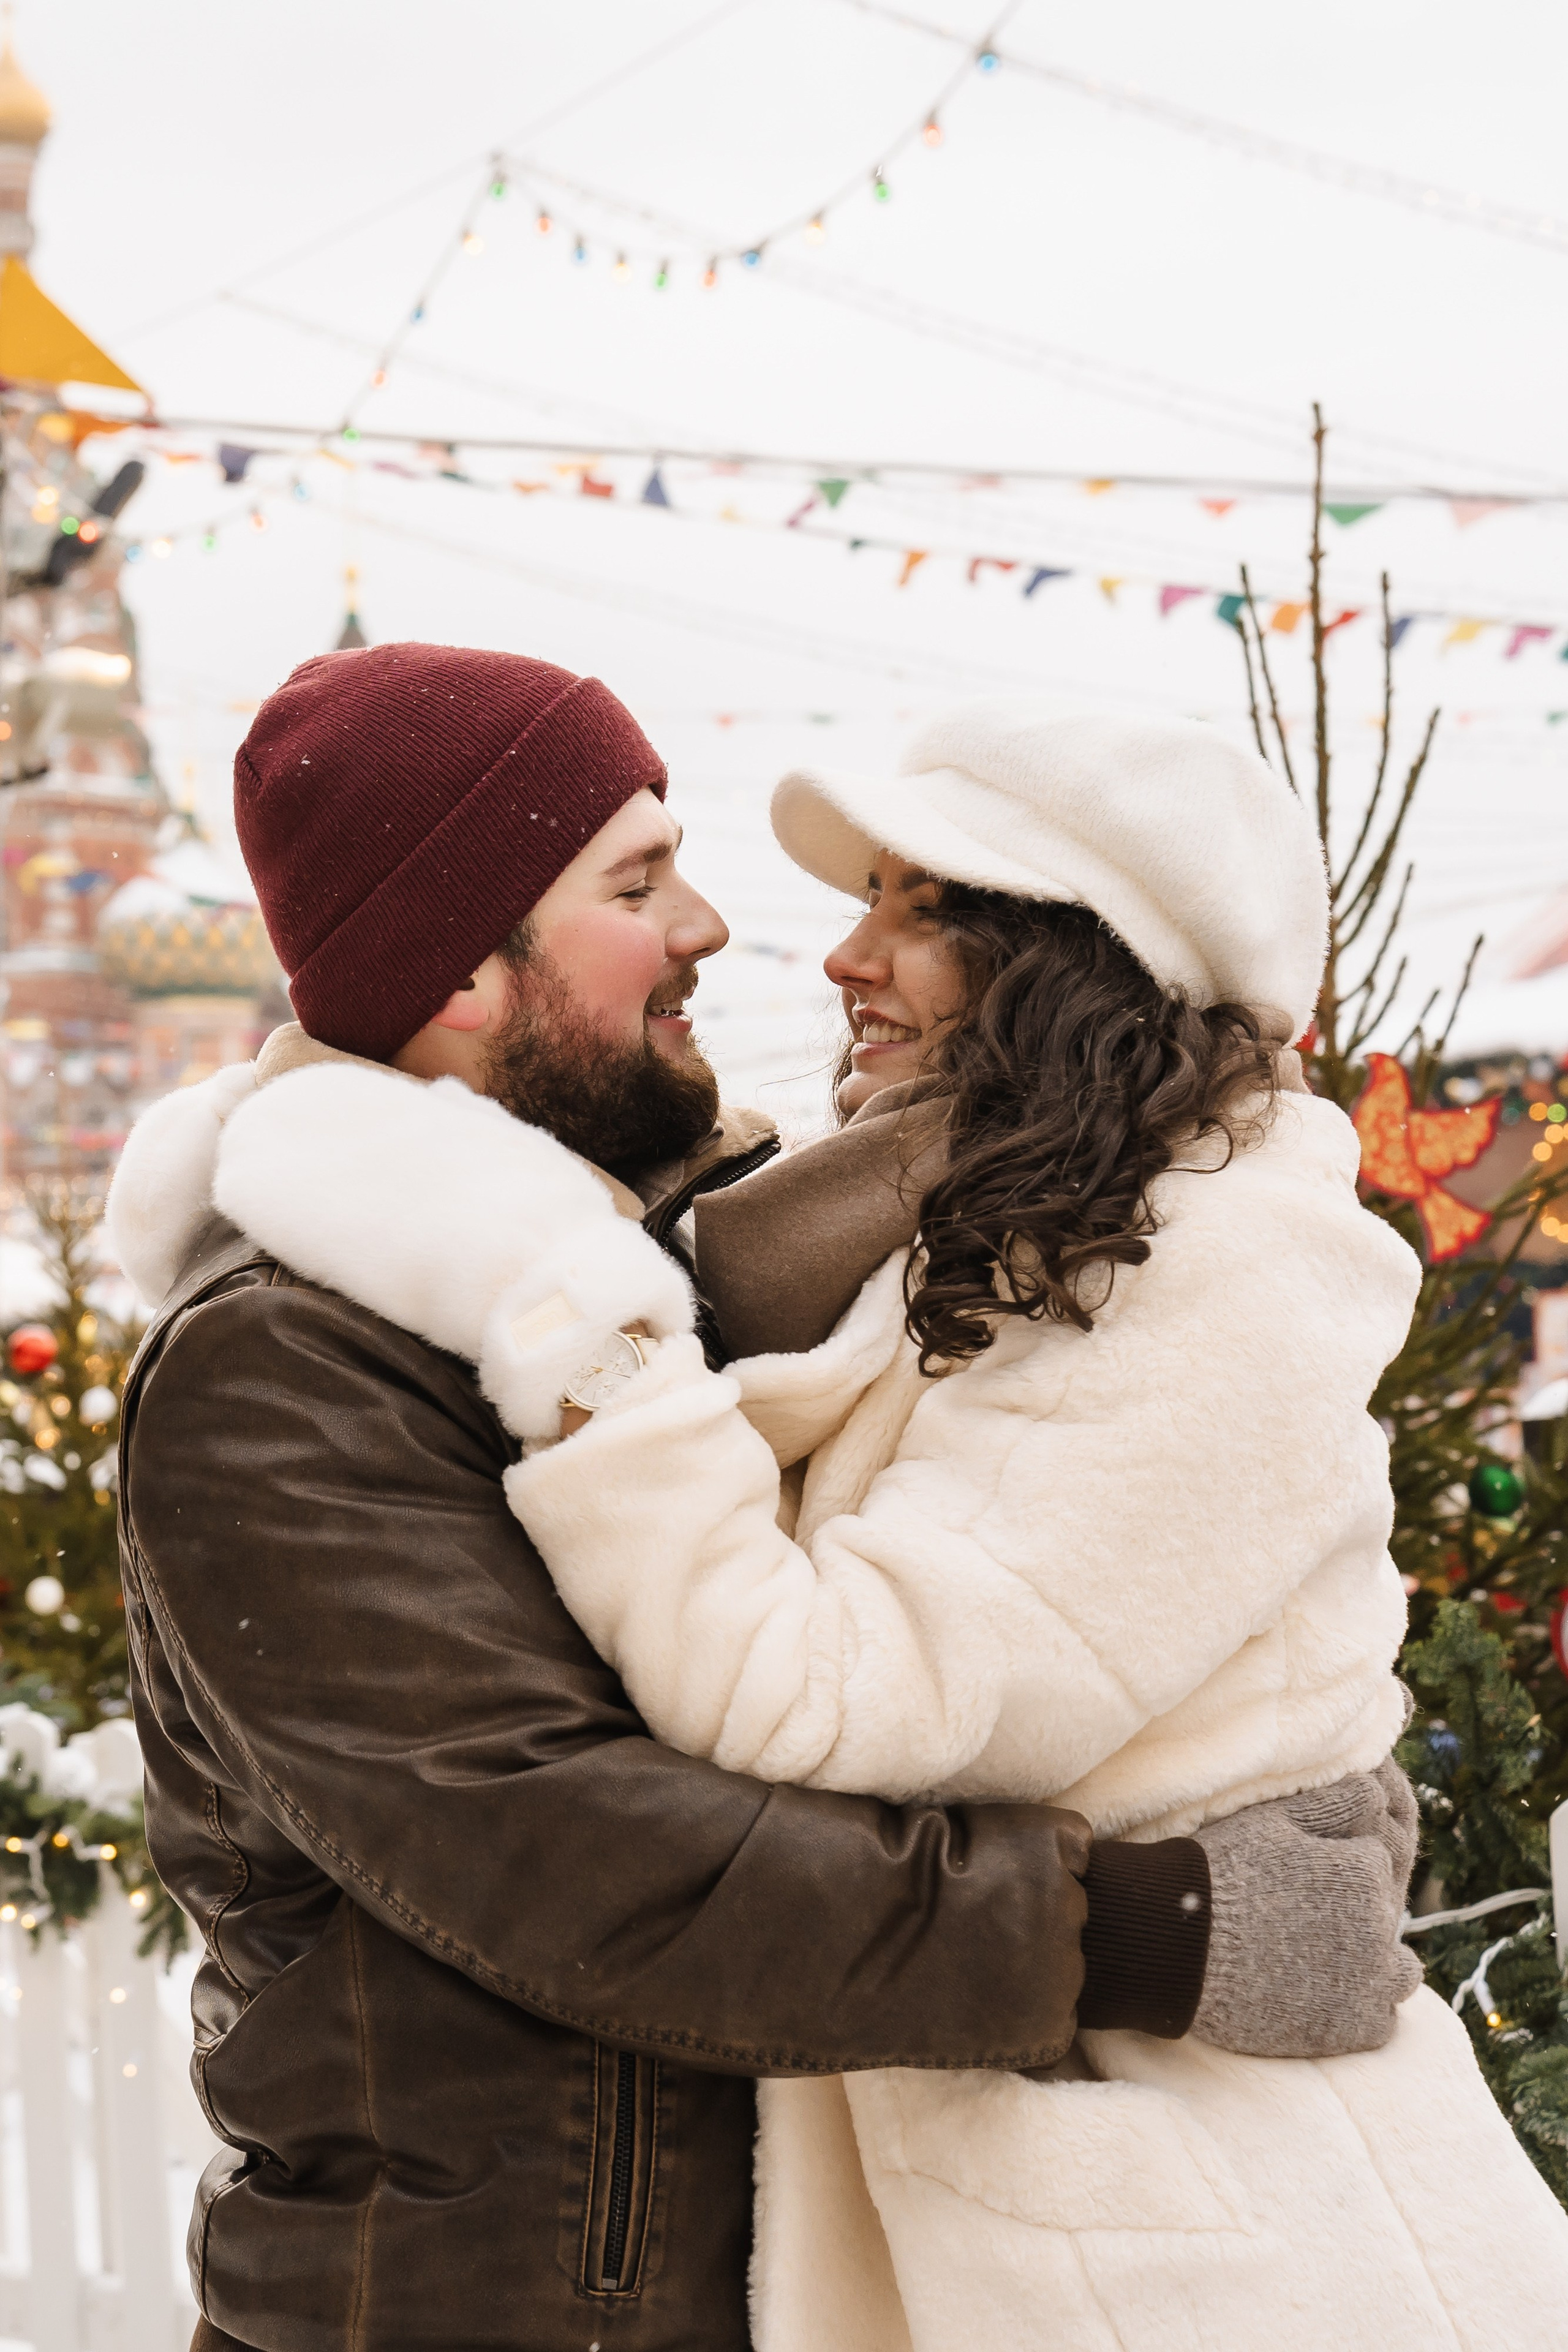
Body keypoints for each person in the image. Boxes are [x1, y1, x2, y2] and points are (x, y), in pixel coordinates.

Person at [110, 647, 1424, 2352]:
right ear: (461, 974)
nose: (717, 927)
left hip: (751, 2290)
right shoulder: (290, 1366)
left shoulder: (698, 1266)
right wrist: (1148, 1932)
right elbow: (571, 1857)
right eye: (639, 882)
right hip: (492, 2310)